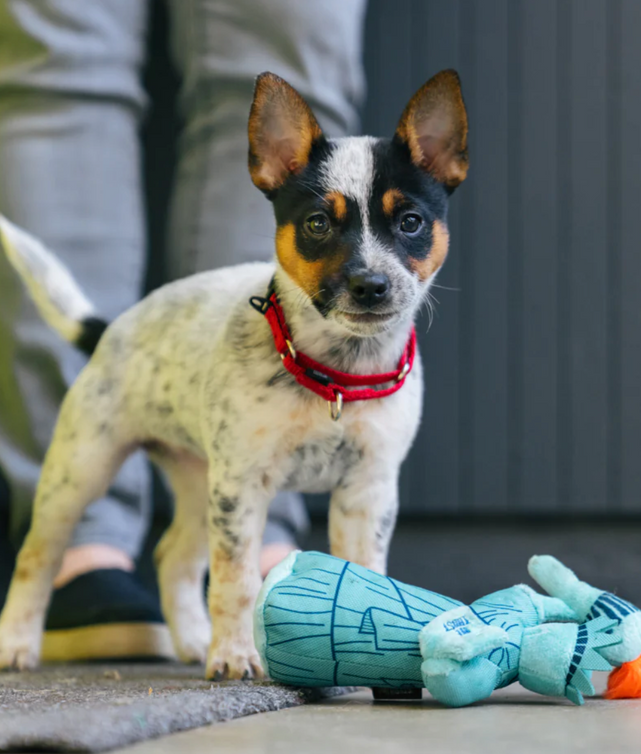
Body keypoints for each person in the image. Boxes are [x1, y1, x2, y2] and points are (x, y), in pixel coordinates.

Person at [0, 0, 367, 661]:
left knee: (283, 55)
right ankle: (78, 554)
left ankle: (264, 543)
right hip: (141, 359)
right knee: (63, 59)